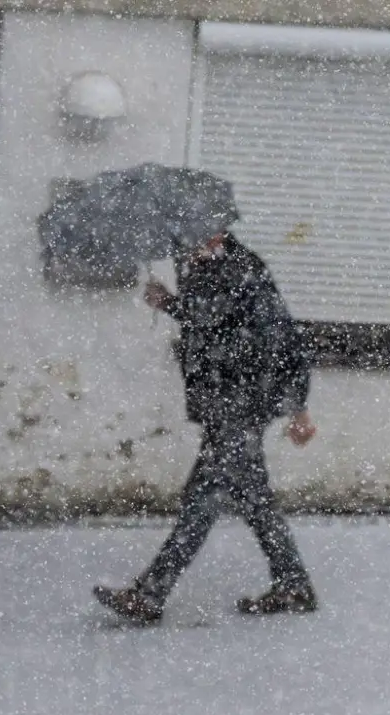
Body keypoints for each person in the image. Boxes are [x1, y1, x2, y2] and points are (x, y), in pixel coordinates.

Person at [95, 231, 318, 624]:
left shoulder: (239, 268)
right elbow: (214, 323)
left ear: (216, 233)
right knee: (255, 501)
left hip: (242, 403)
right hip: (226, 404)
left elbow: (270, 335)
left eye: (196, 238)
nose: (188, 248)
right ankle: (294, 584)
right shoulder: (207, 267)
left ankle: (150, 594)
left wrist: (297, 406)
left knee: (205, 496)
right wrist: (175, 301)